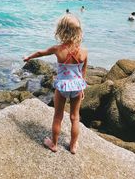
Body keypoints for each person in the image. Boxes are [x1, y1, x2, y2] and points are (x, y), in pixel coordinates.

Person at [23, 14, 87, 154]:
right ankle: (73, 146)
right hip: (77, 86)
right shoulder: (84, 52)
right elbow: (83, 71)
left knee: (58, 116)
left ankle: (54, 144)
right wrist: (82, 88)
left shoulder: (58, 49)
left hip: (62, 86)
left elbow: (41, 52)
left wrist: (29, 57)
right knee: (75, 117)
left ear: (62, 31)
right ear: (78, 32)